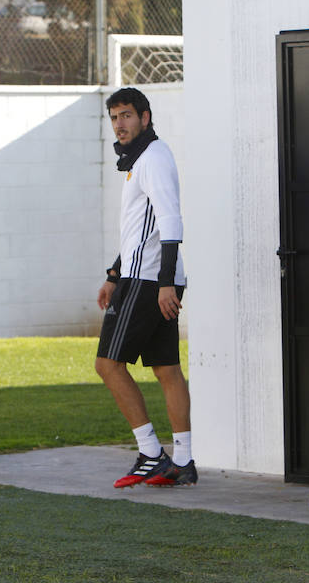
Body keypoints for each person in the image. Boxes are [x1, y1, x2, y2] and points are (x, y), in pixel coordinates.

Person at [95, 87, 196, 488]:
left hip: (150, 281)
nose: (120, 124)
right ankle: (183, 462)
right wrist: (113, 274)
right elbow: (141, 230)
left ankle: (151, 453)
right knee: (167, 369)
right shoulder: (143, 159)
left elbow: (171, 222)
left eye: (126, 116)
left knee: (107, 365)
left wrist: (165, 283)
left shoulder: (153, 158)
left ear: (145, 117)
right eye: (114, 117)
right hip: (145, 277)